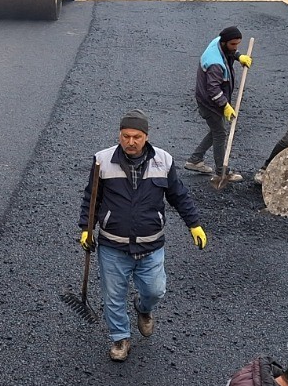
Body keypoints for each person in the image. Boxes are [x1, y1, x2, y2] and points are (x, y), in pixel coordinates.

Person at [79, 110, 207, 362]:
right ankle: (120, 338)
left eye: (137, 136)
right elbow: (91, 199)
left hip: (151, 244)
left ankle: (143, 309)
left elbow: (178, 195)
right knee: (113, 296)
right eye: (126, 136)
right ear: (119, 135)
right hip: (113, 244)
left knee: (155, 290)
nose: (131, 141)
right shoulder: (102, 161)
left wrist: (194, 224)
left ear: (146, 136)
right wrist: (86, 227)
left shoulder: (164, 161)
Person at [184, 26, 252, 181]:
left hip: (211, 99)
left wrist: (238, 56)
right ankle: (222, 172)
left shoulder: (218, 42)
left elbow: (231, 52)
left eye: (238, 44)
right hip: (210, 102)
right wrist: (225, 105)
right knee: (220, 133)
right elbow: (213, 90)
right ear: (224, 43)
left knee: (216, 130)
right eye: (233, 45)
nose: (235, 47)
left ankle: (195, 160)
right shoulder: (215, 64)